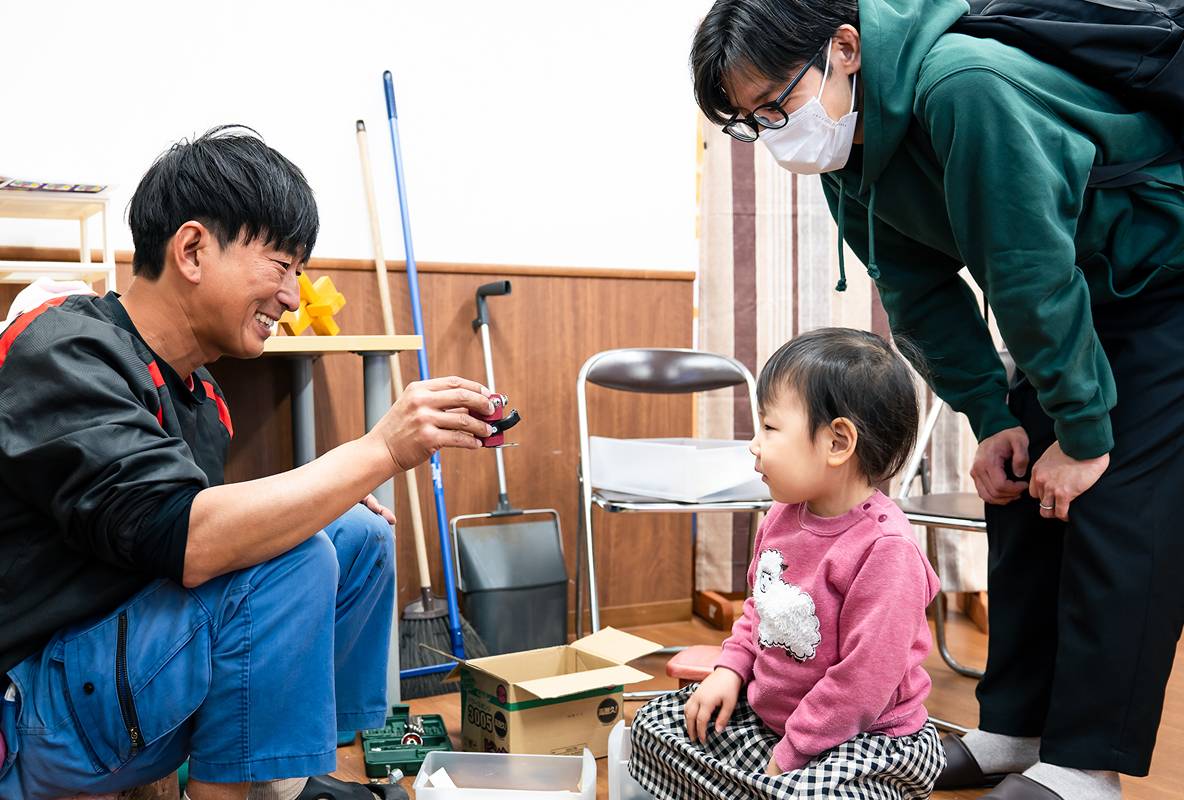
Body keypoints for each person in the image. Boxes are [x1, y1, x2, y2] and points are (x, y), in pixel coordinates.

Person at [690, 1, 1184, 798]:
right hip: (1072, 297)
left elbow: (1025, 270)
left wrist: (1086, 434)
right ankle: (1015, 731)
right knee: (1017, 486)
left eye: (777, 102)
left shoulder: (963, 87)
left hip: (1161, 278)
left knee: (1118, 504)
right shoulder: (848, 154)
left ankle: (1086, 764)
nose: (775, 130)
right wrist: (993, 418)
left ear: (844, 49)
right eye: (751, 121)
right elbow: (919, 298)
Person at [0, 126, 498, 800]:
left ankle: (295, 774)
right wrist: (379, 450)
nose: (293, 297)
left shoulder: (202, 398)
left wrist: (333, 495)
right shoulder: (67, 348)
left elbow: (172, 542)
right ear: (194, 249)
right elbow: (195, 541)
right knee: (292, 560)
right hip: (29, 707)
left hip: (104, 675)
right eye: (280, 266)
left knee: (356, 535)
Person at [628, 328, 943, 800]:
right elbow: (759, 609)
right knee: (652, 724)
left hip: (866, 741)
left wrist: (790, 756)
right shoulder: (780, 516)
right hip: (771, 719)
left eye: (770, 429)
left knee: (802, 794)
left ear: (838, 442)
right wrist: (729, 671)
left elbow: (860, 685)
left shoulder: (887, 550)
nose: (754, 445)